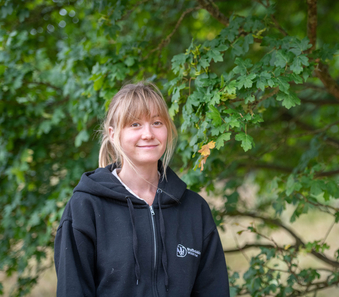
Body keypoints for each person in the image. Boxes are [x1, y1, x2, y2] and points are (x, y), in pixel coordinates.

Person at [54, 82, 230, 297]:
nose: (148, 134)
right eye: (135, 124)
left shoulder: (194, 209)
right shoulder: (85, 208)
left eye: (157, 122)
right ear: (113, 134)